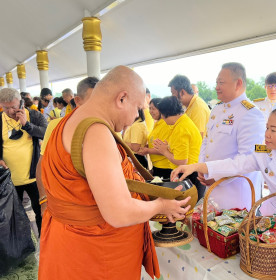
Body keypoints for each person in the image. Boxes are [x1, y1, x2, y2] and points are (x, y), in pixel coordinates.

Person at [38, 66, 190, 280]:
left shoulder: (68, 121)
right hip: (96, 254)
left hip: (70, 241)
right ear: (121, 99)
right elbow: (118, 213)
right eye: (138, 108)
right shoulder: (96, 133)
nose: (136, 116)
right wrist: (161, 206)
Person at [172, 106, 276, 261]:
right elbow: (234, 164)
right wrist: (194, 166)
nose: (266, 134)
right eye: (267, 127)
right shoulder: (264, 154)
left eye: (273, 129)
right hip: (274, 230)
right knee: (273, 268)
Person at [199, 62, 265, 210]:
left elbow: (247, 159)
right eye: (216, 82)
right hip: (211, 187)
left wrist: (214, 176)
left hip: (236, 194)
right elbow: (206, 141)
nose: (216, 86)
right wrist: (202, 166)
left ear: (238, 83)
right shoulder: (217, 110)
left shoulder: (250, 113)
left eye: (221, 82)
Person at [36, 77, 99, 215]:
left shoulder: (104, 127)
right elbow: (42, 164)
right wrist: (43, 201)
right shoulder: (56, 125)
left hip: (95, 205)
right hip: (64, 203)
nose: (98, 106)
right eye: (92, 101)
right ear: (77, 100)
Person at [0, 88, 47, 235]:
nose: (10, 111)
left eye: (13, 107)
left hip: (34, 175)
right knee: (14, 214)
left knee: (41, 210)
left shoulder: (33, 115)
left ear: (20, 102)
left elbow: (46, 133)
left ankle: (43, 239)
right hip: (10, 178)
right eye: (5, 107)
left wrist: (27, 125)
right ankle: (23, 244)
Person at [154, 96, 205, 198]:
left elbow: (182, 161)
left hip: (190, 175)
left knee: (188, 208)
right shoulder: (182, 122)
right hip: (191, 172)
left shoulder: (181, 129)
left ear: (164, 114)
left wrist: (164, 151)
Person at [137, 98, 172, 179]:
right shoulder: (157, 123)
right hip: (156, 166)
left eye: (153, 109)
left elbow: (164, 148)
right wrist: (147, 146)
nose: (150, 111)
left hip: (165, 167)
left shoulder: (165, 124)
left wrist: (147, 150)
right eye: (149, 108)